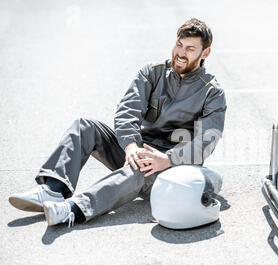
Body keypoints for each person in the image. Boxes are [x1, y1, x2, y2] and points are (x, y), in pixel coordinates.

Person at [8, 18, 227, 228]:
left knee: (141, 167)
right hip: (139, 149)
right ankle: (53, 188)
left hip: (173, 168)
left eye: (190, 49)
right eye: (179, 45)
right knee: (85, 126)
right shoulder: (153, 72)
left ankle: (73, 209)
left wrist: (167, 159)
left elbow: (205, 142)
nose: (181, 53)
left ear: (205, 52)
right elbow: (127, 109)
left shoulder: (212, 92)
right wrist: (131, 146)